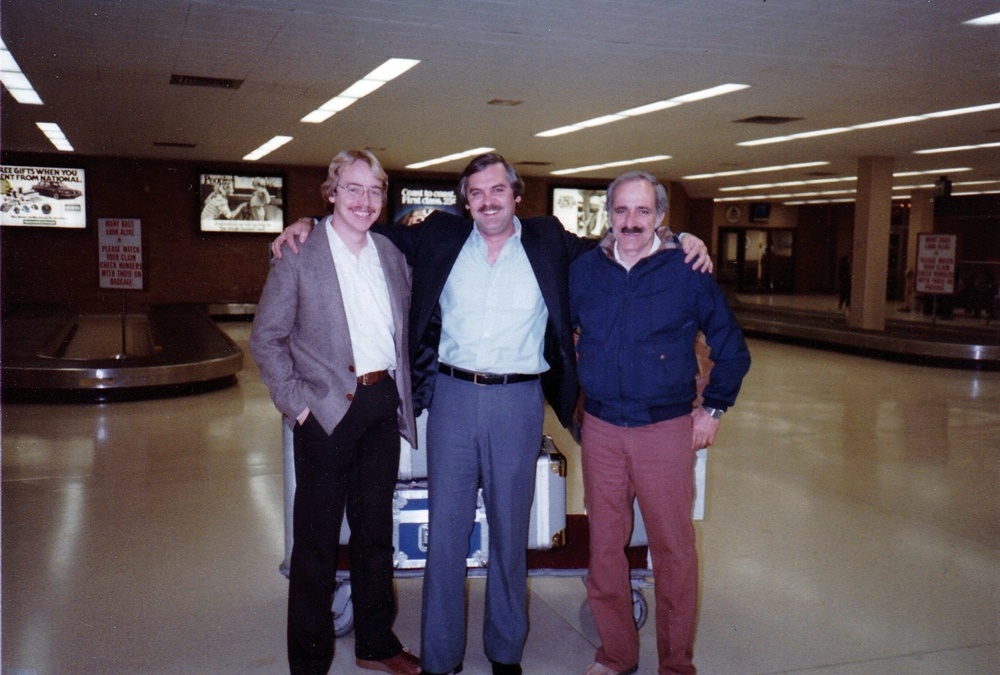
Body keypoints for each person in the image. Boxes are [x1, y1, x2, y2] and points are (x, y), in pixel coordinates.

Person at [272, 153, 712, 675]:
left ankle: (505, 652)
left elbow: (623, 239)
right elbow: (365, 225)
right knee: (448, 533)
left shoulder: (549, 240)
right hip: (455, 398)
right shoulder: (440, 236)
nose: (487, 201)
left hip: (519, 401)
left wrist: (681, 237)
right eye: (476, 193)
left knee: (509, 532)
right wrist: (308, 223)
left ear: (516, 195)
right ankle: (440, 658)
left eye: (497, 190)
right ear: (465, 201)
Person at [569, 171, 750, 675]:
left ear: (661, 218)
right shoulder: (584, 270)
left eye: (643, 211)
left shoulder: (688, 270)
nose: (631, 222)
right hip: (602, 430)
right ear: (609, 214)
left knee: (673, 550)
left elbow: (732, 348)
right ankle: (616, 655)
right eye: (622, 210)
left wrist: (712, 409)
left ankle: (675, 664)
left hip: (665, 431)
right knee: (605, 547)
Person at [250, 150, 420, 675]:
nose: (364, 201)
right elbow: (267, 339)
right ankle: (309, 660)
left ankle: (375, 643)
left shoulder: (391, 254)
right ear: (330, 192)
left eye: (374, 191)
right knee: (317, 544)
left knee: (375, 534)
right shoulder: (299, 252)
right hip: (324, 412)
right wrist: (298, 407)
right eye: (353, 188)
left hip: (380, 405)